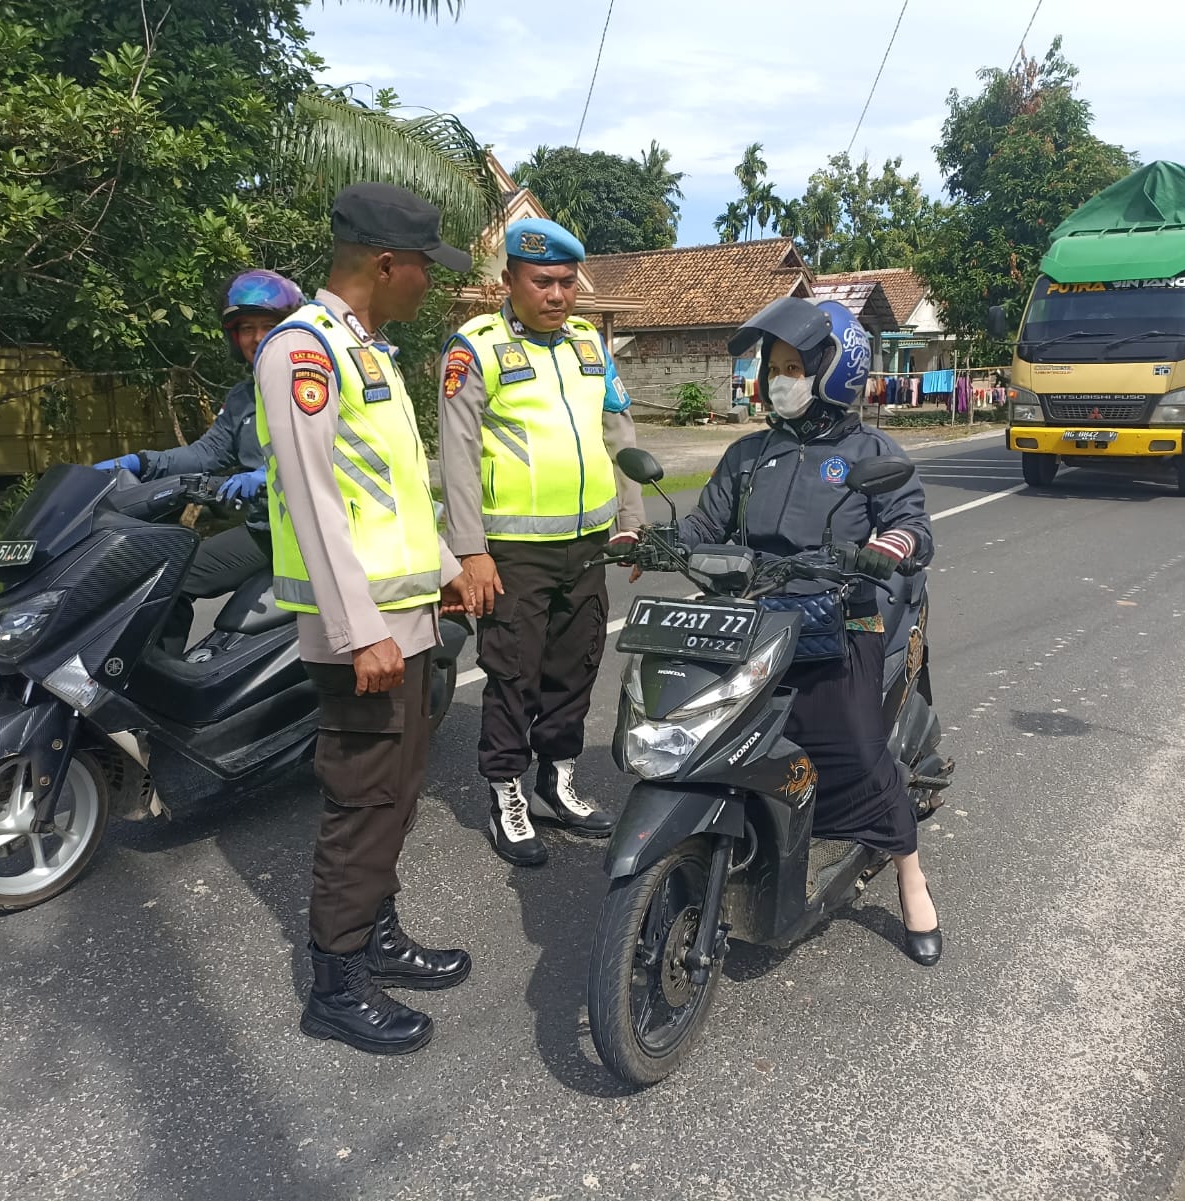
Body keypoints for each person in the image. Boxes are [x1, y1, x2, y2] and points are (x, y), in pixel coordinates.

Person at [254, 182, 479, 1056]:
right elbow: (313, 502)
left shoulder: (368, 352)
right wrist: (360, 631)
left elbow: (395, 495)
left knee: (396, 793)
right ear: (387, 264)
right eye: (425, 265)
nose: (431, 281)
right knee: (363, 801)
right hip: (363, 636)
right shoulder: (303, 352)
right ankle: (337, 981)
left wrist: (447, 571)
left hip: (403, 621)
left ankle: (376, 934)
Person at [669, 296, 945, 966]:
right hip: (752, 619)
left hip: (840, 620)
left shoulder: (870, 451)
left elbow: (912, 524)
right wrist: (657, 540)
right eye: (774, 368)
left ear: (834, 372)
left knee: (856, 751)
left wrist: (891, 544)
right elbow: (703, 525)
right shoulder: (749, 453)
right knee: (697, 728)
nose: (778, 380)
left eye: (793, 368)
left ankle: (908, 870)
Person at [439, 218, 645, 867]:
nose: (557, 294)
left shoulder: (588, 344)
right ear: (510, 280)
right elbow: (457, 455)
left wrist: (631, 518)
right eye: (541, 281)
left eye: (566, 282)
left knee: (575, 666)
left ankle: (556, 781)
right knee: (513, 673)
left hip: (588, 544)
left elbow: (619, 430)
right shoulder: (477, 348)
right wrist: (469, 549)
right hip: (512, 550)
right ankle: (507, 792)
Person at [94, 269, 303, 654]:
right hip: (265, 532)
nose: (257, 338)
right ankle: (162, 676)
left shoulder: (313, 385)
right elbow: (206, 454)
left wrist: (266, 475)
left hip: (309, 537)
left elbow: (328, 452)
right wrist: (139, 463)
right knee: (169, 578)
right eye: (247, 328)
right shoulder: (243, 398)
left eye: (269, 326)